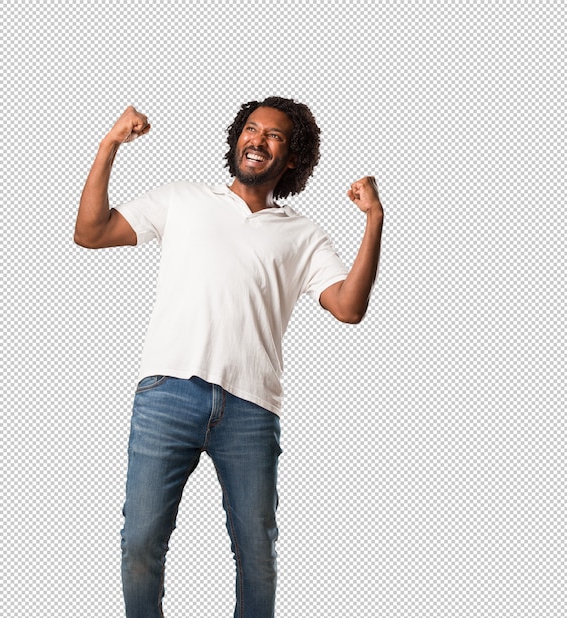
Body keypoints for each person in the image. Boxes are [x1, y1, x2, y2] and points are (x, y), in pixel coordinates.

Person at [74, 97, 383, 618]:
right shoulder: (182, 199)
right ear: (236, 138)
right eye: (250, 128)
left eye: (275, 136)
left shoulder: (303, 235)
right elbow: (90, 233)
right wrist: (109, 146)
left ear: (292, 158)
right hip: (167, 395)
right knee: (140, 543)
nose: (257, 140)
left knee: (257, 556)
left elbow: (349, 308)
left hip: (252, 410)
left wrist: (373, 219)